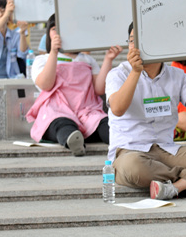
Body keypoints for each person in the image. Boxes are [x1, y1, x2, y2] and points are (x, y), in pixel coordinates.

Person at [105, 23, 186, 199]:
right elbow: (118, 109)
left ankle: (178, 186)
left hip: (168, 151)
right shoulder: (118, 74)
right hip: (129, 151)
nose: (136, 47)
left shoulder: (176, 75)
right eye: (131, 41)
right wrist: (135, 72)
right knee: (133, 168)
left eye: (143, 41)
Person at [26, 14, 122, 156]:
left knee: (104, 123)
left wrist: (108, 59)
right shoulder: (42, 60)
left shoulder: (87, 60)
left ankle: (120, 142)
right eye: (54, 29)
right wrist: (53, 52)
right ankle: (73, 140)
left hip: (87, 112)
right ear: (48, 35)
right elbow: (46, 85)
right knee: (62, 124)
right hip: (57, 111)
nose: (59, 33)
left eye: (64, 29)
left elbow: (99, 89)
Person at [0, 0, 28, 79]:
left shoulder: (14, 34)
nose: (0, 14)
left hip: (11, 79)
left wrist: (22, 34)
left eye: (2, 11)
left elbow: (22, 54)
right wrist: (5, 15)